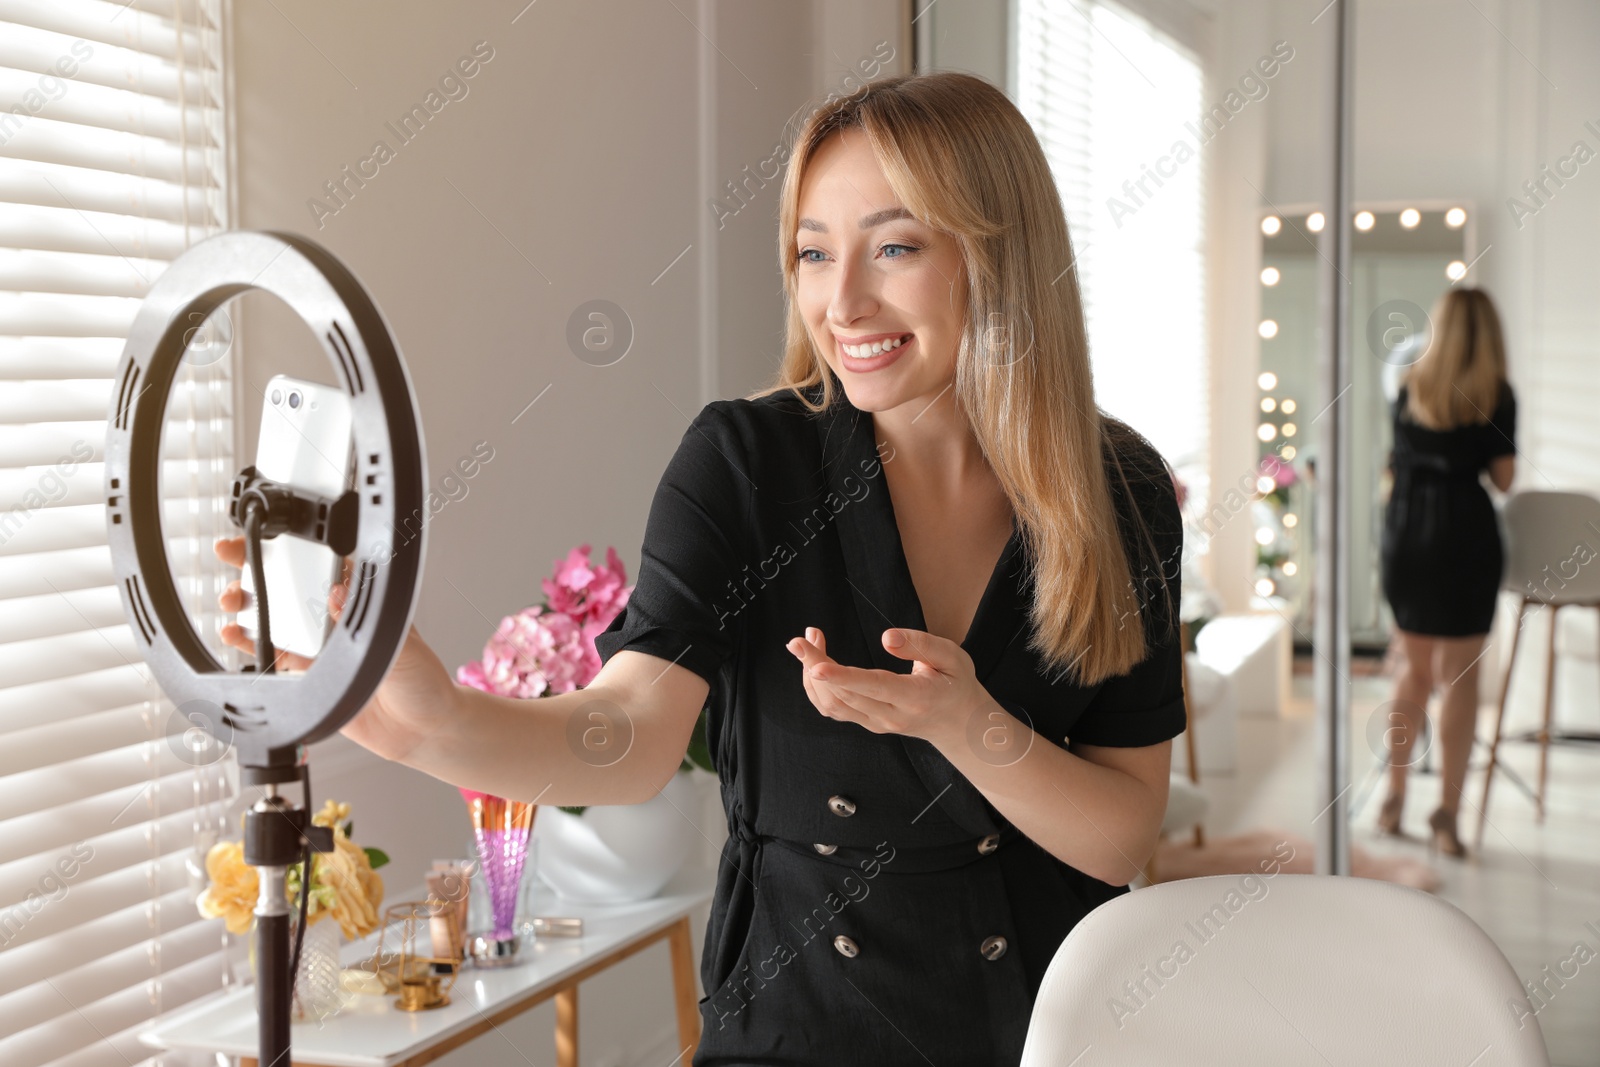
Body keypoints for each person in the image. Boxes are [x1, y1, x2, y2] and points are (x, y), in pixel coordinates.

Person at [215, 71, 1186, 1065]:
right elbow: (631, 736)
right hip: (798, 1023)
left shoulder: (1122, 492)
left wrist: (966, 723)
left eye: (894, 246)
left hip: (1051, 1029)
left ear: (998, 254)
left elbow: (1119, 836)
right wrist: (438, 727)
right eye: (813, 252)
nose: (840, 300)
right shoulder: (745, 464)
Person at [1377, 287, 1516, 860]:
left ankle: (1393, 795)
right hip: (1466, 539)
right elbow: (1504, 481)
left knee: (1412, 672)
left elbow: (1395, 460)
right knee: (1461, 680)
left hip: (1409, 536)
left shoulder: (1409, 381)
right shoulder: (1497, 394)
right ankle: (1447, 815)